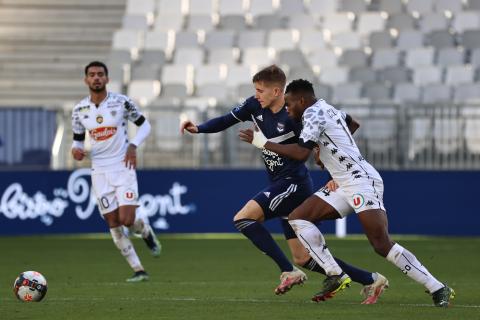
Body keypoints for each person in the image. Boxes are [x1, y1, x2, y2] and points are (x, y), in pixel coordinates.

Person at [181, 65, 388, 304]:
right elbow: (227, 119)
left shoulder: (295, 117)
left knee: (243, 218)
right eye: (255, 90)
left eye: (261, 90)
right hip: (279, 183)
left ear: (277, 91)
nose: (256, 95)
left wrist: (333, 171)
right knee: (303, 257)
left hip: (293, 184)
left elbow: (318, 147)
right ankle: (370, 279)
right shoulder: (254, 106)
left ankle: (289, 271)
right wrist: (199, 129)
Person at [239, 78, 455, 307]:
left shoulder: (312, 113)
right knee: (298, 217)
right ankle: (335, 274)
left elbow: (300, 154)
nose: (288, 109)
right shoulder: (327, 108)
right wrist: (324, 153)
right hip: (344, 183)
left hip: (362, 181)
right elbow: (352, 124)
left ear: (302, 100)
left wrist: (263, 143)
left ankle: (438, 287)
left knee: (381, 244)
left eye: (290, 104)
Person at [71, 61, 161, 282]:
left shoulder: (121, 102)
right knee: (112, 222)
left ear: (107, 79)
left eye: (100, 74)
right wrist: (77, 150)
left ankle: (146, 232)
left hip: (123, 166)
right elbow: (78, 142)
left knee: (127, 220)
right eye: (92, 75)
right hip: (99, 171)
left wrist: (133, 145)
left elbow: (145, 125)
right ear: (86, 80)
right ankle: (139, 269)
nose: (96, 78)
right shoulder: (79, 111)